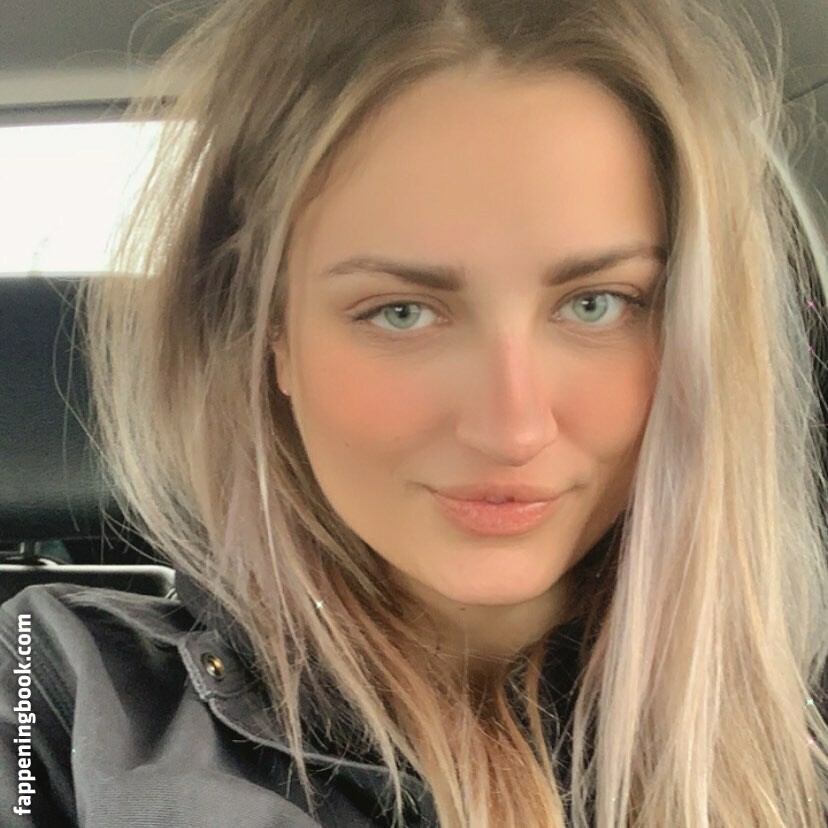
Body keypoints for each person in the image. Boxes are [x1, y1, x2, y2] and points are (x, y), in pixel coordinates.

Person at [2, 0, 828, 824]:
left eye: (596, 304)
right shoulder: (56, 697)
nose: (513, 429)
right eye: (401, 312)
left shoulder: (801, 718)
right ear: (270, 331)